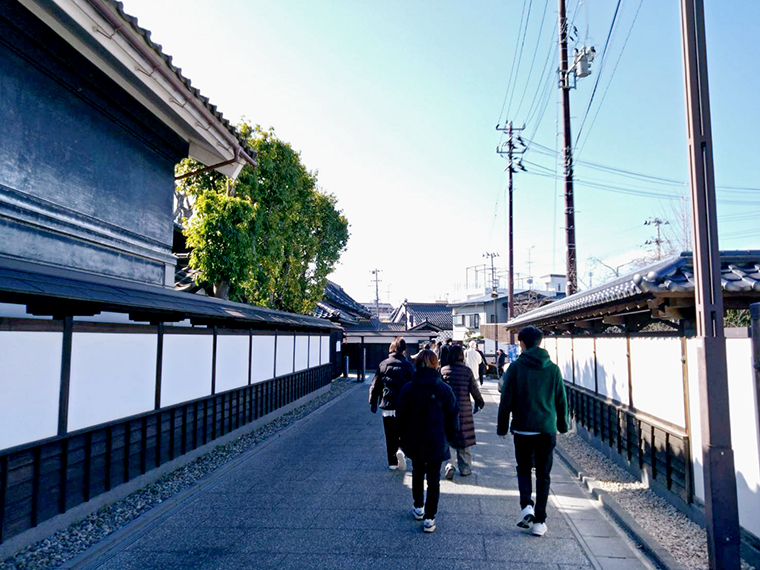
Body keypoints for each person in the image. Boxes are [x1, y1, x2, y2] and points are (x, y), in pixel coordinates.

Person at [497, 326, 569, 537]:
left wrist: (502, 426)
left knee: (524, 468)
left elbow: (506, 401)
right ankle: (540, 520)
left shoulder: (516, 368)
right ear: (540, 342)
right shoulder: (553, 369)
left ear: (522, 343)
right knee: (544, 475)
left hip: (523, 429)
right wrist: (562, 425)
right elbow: (561, 400)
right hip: (547, 430)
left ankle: (526, 505)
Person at [396, 349, 459, 533]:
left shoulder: (408, 388)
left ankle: (418, 506)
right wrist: (451, 436)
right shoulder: (444, 389)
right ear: (435, 364)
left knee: (417, 472)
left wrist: (402, 437)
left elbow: (401, 415)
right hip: (437, 439)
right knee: (433, 478)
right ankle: (430, 518)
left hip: (415, 438)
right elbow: (453, 414)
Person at [369, 337, 415, 470]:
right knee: (405, 432)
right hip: (404, 406)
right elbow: (413, 385)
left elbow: (375, 384)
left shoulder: (383, 364)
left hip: (388, 404)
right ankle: (401, 450)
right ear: (404, 350)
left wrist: (372, 402)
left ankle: (392, 463)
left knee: (390, 435)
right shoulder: (407, 365)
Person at [440, 344, 485, 479]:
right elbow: (474, 390)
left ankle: (450, 464)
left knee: (449, 437)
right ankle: (465, 469)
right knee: (463, 438)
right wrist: (479, 402)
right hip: (464, 409)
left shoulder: (443, 371)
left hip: (447, 409)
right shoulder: (467, 371)